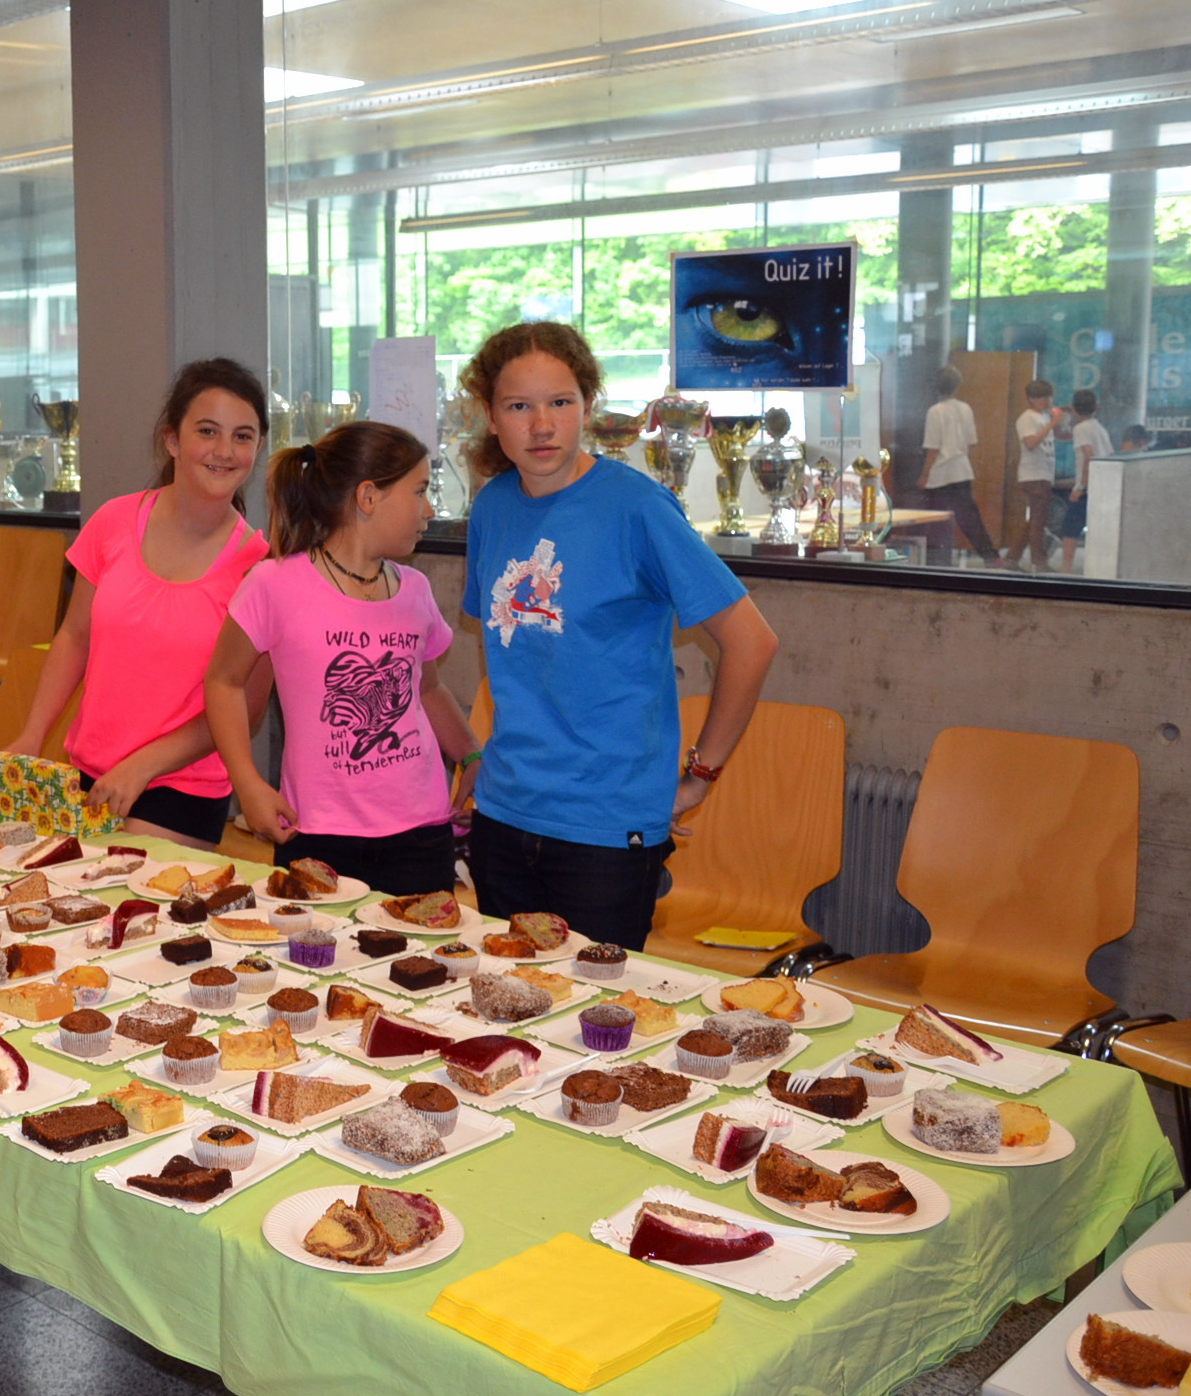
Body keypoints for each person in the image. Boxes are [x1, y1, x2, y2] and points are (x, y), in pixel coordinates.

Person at [460, 322, 778, 948]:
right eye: (519, 407)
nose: (542, 425)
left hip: (605, 830)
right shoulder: (492, 505)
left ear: (588, 406)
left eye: (560, 402)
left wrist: (701, 773)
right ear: (491, 418)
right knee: (506, 998)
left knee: (598, 1006)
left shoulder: (637, 506)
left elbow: (752, 641)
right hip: (503, 815)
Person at [203, 420, 481, 896]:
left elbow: (428, 689)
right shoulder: (273, 584)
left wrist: (471, 753)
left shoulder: (415, 589)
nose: (430, 510)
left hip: (422, 834)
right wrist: (248, 785)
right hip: (317, 834)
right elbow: (223, 682)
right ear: (368, 497)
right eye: (419, 492)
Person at [5, 360, 274, 850]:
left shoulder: (260, 570)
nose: (224, 450)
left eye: (242, 436)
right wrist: (32, 735)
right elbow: (74, 639)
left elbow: (244, 713)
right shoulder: (113, 520)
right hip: (89, 772)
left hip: (182, 788)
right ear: (172, 439)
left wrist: (143, 766)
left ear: (257, 448)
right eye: (207, 431)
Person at [918, 365, 999, 566]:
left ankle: (939, 560)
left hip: (940, 475)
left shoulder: (935, 411)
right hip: (962, 470)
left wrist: (924, 475)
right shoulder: (966, 408)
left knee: (938, 521)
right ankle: (990, 556)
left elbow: (933, 448)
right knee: (970, 519)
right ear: (957, 386)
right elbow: (971, 443)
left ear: (936, 386)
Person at [1062, 387, 1115, 574]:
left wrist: (1081, 486)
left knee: (1070, 528)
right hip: (1103, 484)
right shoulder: (1100, 429)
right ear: (1096, 407)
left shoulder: (1081, 429)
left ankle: (1066, 568)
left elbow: (1088, 455)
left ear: (1074, 409)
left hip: (1088, 487)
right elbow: (1110, 455)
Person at [1013, 378, 1063, 572]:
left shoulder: (1042, 417)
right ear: (1031, 399)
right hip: (1033, 474)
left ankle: (1012, 558)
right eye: (1041, 397)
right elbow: (1030, 443)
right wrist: (1051, 425)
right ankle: (1039, 562)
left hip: (1043, 473)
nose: (1046, 401)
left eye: (1048, 396)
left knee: (1035, 519)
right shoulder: (1027, 418)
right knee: (1038, 521)